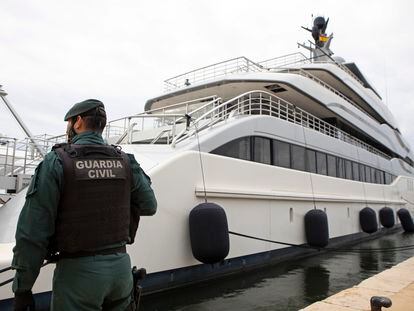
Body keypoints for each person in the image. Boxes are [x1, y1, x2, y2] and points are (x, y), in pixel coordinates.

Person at [12, 99, 157, 310]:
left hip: (78, 276)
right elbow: (149, 206)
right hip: (120, 272)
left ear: (78, 122)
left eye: (69, 123)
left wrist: (22, 288)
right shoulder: (125, 161)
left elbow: (33, 231)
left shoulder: (57, 161)